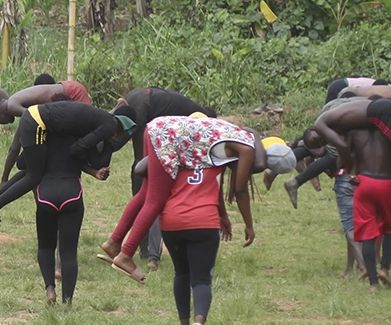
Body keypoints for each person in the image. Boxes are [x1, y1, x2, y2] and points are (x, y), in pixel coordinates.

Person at [98, 116, 265, 284]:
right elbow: (240, 190)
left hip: (157, 128)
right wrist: (249, 225)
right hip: (167, 137)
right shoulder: (247, 149)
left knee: (145, 193)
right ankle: (126, 255)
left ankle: (114, 242)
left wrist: (222, 215)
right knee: (155, 200)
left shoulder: (236, 136)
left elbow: (217, 182)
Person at [110, 87, 217, 272]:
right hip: (144, 104)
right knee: (150, 193)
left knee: (143, 189)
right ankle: (145, 252)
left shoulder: (184, 110)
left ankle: (136, 248)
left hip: (139, 100)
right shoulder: (196, 119)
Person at [0, 103, 130, 231]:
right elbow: (76, 149)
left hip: (35, 118)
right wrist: (106, 145)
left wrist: (93, 169)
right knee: (34, 177)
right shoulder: (109, 126)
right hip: (38, 122)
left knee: (29, 171)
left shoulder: (98, 120)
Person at [30, 114, 110, 307]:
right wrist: (96, 169)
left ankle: (50, 288)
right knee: (68, 252)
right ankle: (68, 302)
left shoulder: (40, 136)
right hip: (71, 193)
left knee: (45, 246)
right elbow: (91, 160)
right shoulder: (80, 136)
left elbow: (23, 163)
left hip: (45, 194)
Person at [157, 156, 232, 325]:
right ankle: (198, 323)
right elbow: (217, 192)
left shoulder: (171, 158)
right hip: (205, 221)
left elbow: (141, 168)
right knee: (201, 280)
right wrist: (223, 216)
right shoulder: (217, 160)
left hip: (171, 221)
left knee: (181, 272)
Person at [342, 124, 391, 294]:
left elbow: (345, 153)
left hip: (364, 182)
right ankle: (384, 269)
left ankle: (373, 284)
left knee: (368, 232)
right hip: (386, 181)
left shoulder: (354, 130)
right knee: (390, 228)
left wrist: (352, 171)